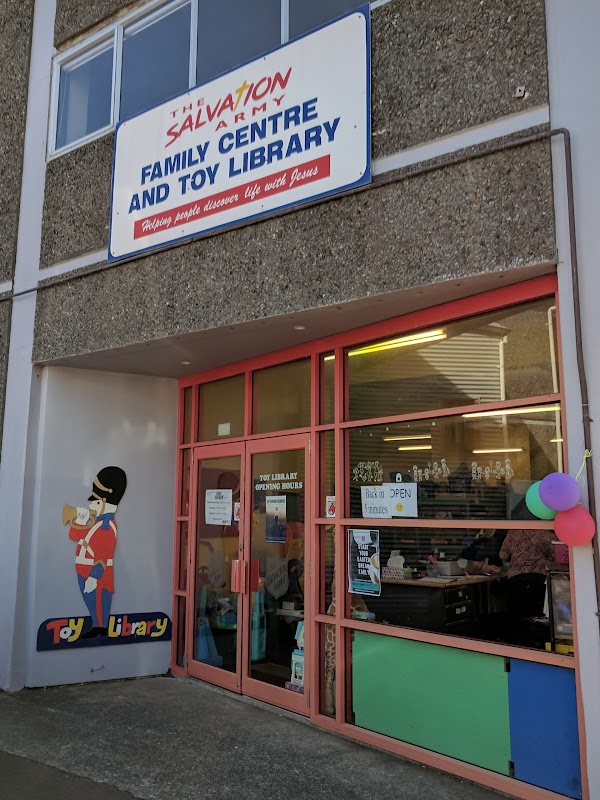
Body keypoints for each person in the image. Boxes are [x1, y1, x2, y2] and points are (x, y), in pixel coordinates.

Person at [67, 466, 127, 638]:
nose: (92, 505)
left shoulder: (107, 526)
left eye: (96, 502)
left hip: (96, 572)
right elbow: (75, 536)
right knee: (92, 602)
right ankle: (97, 624)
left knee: (100, 600)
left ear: (104, 502)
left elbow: (104, 555)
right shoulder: (96, 523)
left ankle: (100, 627)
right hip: (83, 570)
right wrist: (80, 520)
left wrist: (94, 576)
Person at [499, 529, 555, 619]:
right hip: (539, 578)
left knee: (517, 615)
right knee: (539, 614)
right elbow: (555, 556)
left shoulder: (513, 533)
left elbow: (503, 555)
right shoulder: (547, 534)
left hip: (516, 578)